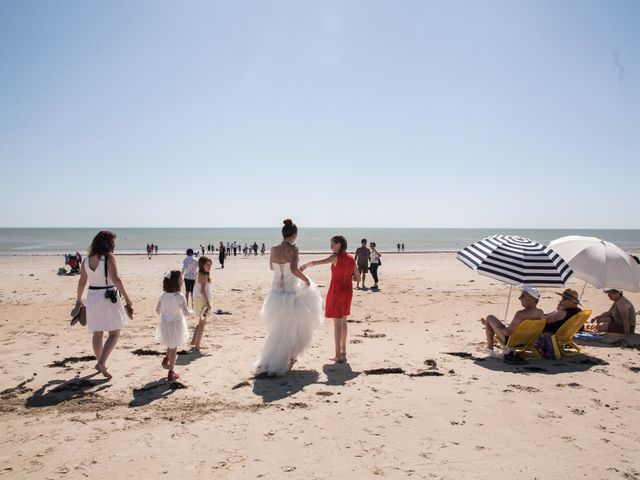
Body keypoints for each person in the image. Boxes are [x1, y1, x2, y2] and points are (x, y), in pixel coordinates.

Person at [253, 219, 323, 377]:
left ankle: (269, 362)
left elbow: (272, 267)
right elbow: (293, 269)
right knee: (292, 328)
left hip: (276, 293)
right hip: (290, 293)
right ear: (294, 235)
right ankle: (286, 359)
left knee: (277, 329)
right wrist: (305, 280)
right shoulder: (293, 249)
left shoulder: (273, 248)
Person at [75, 231, 133, 379]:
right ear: (108, 243)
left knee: (97, 332)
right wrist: (127, 298)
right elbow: (116, 279)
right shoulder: (109, 257)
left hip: (92, 297)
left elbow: (82, 282)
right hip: (108, 296)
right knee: (114, 333)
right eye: (113, 242)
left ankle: (101, 362)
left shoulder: (86, 260)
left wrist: (78, 299)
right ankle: (101, 363)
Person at [301, 235, 360, 363]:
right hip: (347, 292)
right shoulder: (351, 258)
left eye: (332, 244)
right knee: (343, 322)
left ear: (338, 245)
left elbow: (316, 262)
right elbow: (358, 278)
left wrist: (304, 266)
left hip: (337, 291)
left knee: (337, 324)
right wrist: (349, 277)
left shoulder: (335, 257)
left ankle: (338, 355)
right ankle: (343, 352)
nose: (331, 247)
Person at [480, 286, 544, 357]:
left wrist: (499, 327)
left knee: (490, 318)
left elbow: (507, 333)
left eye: (522, 296)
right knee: (492, 323)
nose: (519, 298)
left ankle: (490, 348)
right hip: (528, 341)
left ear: (530, 300)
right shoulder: (540, 313)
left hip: (512, 342)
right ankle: (488, 325)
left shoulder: (520, 314)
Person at [156, 271, 192, 381]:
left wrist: (166, 312)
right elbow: (186, 313)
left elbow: (157, 310)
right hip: (176, 324)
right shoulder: (180, 297)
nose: (182, 281)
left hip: (165, 323)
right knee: (174, 346)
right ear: (176, 282)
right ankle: (171, 372)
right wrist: (193, 312)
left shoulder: (163, 295)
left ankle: (166, 358)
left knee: (170, 342)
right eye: (181, 279)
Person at [191, 256, 213, 351]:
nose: (209, 267)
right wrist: (207, 303)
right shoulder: (202, 275)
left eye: (210, 265)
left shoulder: (201, 274)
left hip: (200, 300)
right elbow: (202, 291)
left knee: (200, 323)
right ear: (201, 265)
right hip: (202, 302)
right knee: (202, 324)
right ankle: (197, 345)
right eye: (207, 265)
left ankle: (193, 341)